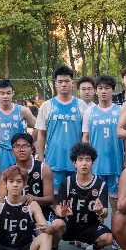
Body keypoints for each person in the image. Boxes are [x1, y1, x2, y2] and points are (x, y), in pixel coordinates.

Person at [51, 143, 113, 250]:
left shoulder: (101, 185)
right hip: (70, 225)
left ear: (93, 163)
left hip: (91, 226)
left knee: (108, 238)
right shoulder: (67, 182)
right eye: (80, 159)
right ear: (74, 163)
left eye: (88, 160)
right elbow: (58, 207)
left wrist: (100, 211)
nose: (84, 163)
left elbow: (105, 212)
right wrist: (61, 212)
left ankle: (97, 249)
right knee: (56, 224)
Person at [82, 75, 124, 245]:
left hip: (115, 164)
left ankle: (116, 237)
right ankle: (95, 237)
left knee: (115, 202)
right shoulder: (89, 112)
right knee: (96, 203)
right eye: (100, 88)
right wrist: (85, 160)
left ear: (113, 91)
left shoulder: (120, 110)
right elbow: (85, 138)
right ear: (96, 91)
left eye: (107, 88)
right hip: (97, 166)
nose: (103, 91)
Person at [35, 66, 86, 194]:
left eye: (67, 81)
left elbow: (86, 135)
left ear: (72, 83)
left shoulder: (81, 105)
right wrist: (41, 158)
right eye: (60, 81)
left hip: (76, 162)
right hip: (54, 160)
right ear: (55, 84)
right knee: (54, 197)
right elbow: (41, 134)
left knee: (75, 197)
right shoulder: (47, 106)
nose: (64, 84)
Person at [0, 79, 36, 174]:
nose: (5, 96)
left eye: (8, 93)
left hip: (17, 151)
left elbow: (39, 127)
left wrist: (29, 143)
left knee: (18, 179)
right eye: (2, 93)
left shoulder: (22, 110)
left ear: (13, 93)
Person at [0, 133, 55, 223]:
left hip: (42, 212)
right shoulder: (7, 173)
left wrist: (35, 199)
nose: (21, 149)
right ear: (12, 151)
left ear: (32, 150)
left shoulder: (44, 168)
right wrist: (0, 199)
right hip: (16, 214)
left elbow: (50, 199)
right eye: (17, 146)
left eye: (25, 146)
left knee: (55, 227)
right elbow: (1, 198)